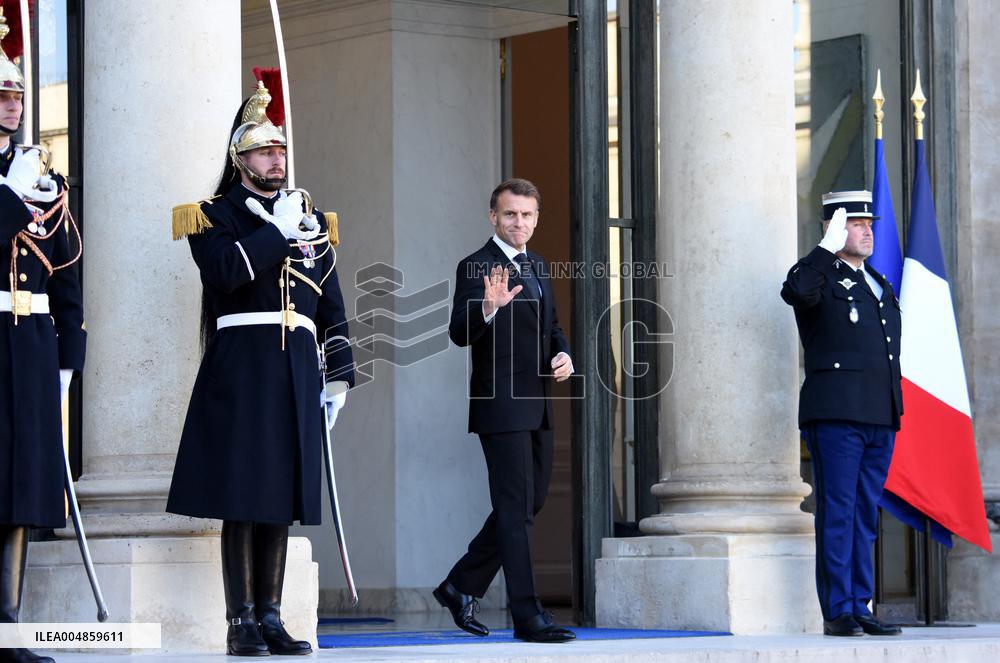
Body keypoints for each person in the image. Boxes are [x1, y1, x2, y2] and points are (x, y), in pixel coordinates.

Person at [166, 76, 354, 657]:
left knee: (280, 497)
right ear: (240, 159)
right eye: (264, 151)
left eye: (280, 150)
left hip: (296, 367)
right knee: (244, 495)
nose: (277, 160)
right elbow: (226, 273)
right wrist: (276, 232)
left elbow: (332, 303)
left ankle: (272, 617)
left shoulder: (310, 218)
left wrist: (340, 374)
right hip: (243, 366)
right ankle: (240, 621)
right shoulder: (212, 216)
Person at [436, 178, 575, 643]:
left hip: (538, 403)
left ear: (536, 218)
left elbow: (553, 327)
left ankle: (461, 585)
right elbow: (459, 332)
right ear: (493, 217)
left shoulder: (538, 265)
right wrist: (487, 308)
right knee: (516, 511)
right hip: (499, 404)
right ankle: (527, 615)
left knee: (528, 504)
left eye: (527, 214)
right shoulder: (476, 266)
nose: (519, 222)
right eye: (510, 214)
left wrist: (563, 354)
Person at [781, 190, 903, 637]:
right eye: (855, 223)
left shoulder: (877, 283)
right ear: (834, 228)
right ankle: (838, 610)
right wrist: (825, 249)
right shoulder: (818, 275)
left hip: (878, 415)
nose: (867, 231)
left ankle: (860, 603)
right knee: (838, 512)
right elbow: (796, 292)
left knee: (865, 515)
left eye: (869, 224)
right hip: (836, 414)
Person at [0, 10, 83, 663]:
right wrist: (6, 195)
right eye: (1, 95)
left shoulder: (42, 178)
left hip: (31, 342)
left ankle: (8, 624)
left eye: (17, 96)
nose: (11, 105)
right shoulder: (15, 183)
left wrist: (68, 357)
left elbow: (68, 275)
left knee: (25, 482)